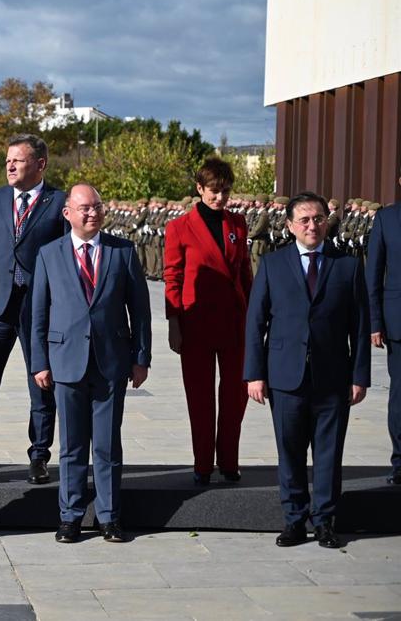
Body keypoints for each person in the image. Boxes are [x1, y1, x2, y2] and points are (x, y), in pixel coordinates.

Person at [245, 191, 369, 549]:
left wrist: (360, 376)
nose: (312, 225)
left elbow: (358, 326)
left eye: (318, 218)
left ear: (327, 221)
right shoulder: (272, 264)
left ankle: (326, 521)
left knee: (329, 453)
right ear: (289, 226)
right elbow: (255, 323)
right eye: (304, 220)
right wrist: (254, 374)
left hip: (333, 377)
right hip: (285, 376)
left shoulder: (346, 265)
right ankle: (294, 520)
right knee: (291, 451)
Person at [31, 183, 151, 544]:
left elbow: (140, 311)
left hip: (111, 362)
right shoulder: (49, 254)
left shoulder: (122, 252)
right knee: (71, 445)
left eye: (97, 207)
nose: (92, 213)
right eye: (84, 208)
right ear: (67, 213)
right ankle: (70, 516)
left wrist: (140, 357)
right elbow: (38, 313)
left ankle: (109, 517)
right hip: (65, 361)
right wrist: (40, 361)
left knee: (107, 445)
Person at [0, 133, 65, 484]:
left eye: (18, 160)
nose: (10, 165)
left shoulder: (58, 202)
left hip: (40, 309)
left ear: (40, 164)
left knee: (42, 385)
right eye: (8, 159)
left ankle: (39, 456)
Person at [163, 158, 253, 485]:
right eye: (214, 191)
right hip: (196, 323)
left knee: (235, 396)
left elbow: (245, 273)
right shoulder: (179, 228)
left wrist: (255, 317)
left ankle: (229, 460)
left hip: (234, 321)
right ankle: (202, 464)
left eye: (225, 191)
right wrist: (174, 322)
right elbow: (172, 276)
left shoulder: (238, 224)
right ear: (200, 188)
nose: (220, 198)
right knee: (200, 398)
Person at [366, 176, 401, 485]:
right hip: (398, 322)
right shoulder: (386, 218)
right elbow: (373, 273)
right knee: (400, 395)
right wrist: (374, 321)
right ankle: (400, 462)